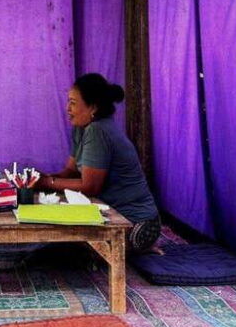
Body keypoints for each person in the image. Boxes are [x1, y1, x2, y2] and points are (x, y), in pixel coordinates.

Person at [35, 73, 161, 252]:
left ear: (92, 107)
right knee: (52, 234)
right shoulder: (82, 128)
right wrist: (39, 179)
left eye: (73, 103)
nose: (67, 108)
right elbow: (69, 172)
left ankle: (138, 249)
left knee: (59, 249)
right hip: (113, 214)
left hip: (137, 224)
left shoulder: (98, 131)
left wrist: (47, 182)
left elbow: (90, 186)